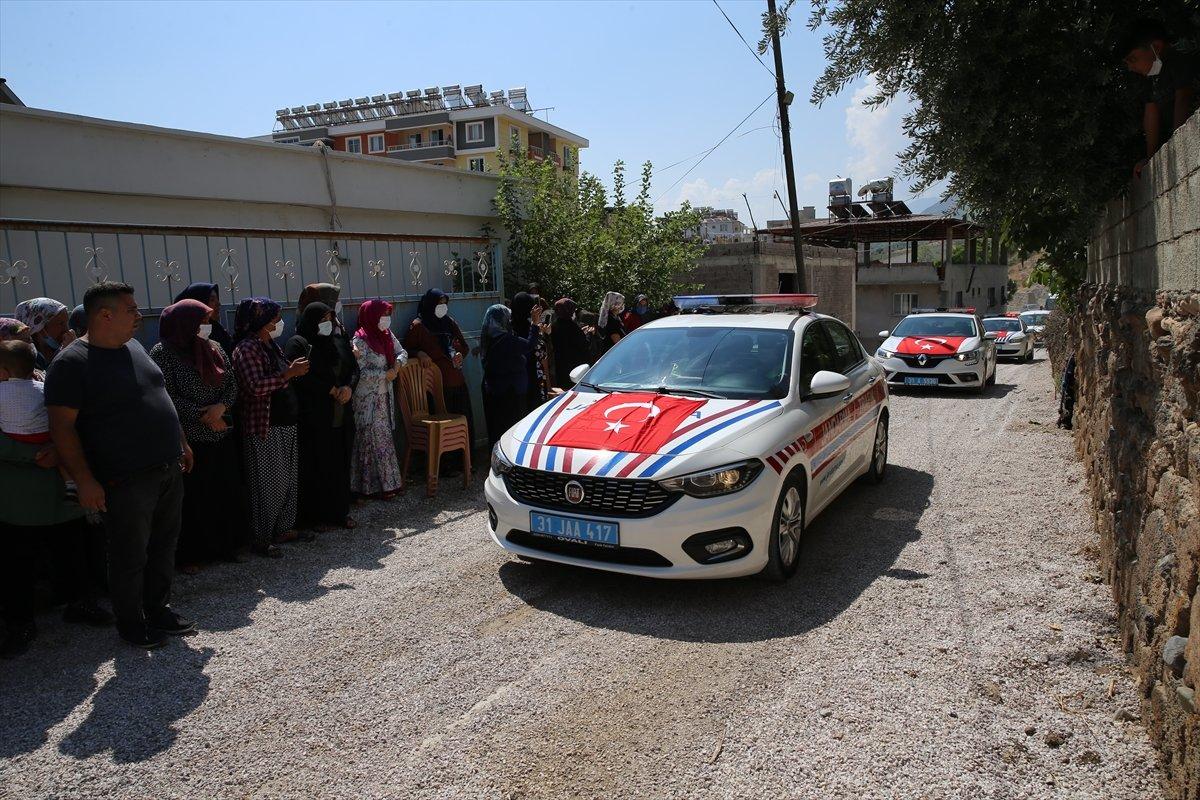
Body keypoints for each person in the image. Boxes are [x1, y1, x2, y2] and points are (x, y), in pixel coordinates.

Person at [44, 281, 195, 649]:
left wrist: (181, 442)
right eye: (131, 309)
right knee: (130, 553)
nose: (138, 315)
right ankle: (132, 623)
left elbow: (158, 395)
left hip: (165, 467)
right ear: (104, 315)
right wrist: (84, 481)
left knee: (164, 544)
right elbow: (62, 428)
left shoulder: (134, 348)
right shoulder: (71, 363)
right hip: (124, 477)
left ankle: (157, 608)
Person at [149, 299, 244, 571]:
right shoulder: (163, 353)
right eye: (202, 321)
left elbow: (232, 384)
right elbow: (164, 395)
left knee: (223, 492)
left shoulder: (214, 349)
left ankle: (225, 545)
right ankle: (193, 554)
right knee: (194, 499)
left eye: (208, 321)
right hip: (190, 437)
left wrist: (221, 408)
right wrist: (203, 415)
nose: (207, 327)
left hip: (220, 431)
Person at [232, 298, 309, 558]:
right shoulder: (246, 348)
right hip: (264, 424)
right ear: (260, 321)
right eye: (273, 319)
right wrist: (288, 374)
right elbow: (254, 386)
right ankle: (262, 537)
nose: (278, 323)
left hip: (285, 421)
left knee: (286, 480)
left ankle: (283, 528)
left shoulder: (270, 345)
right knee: (267, 484)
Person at [285, 301, 356, 527]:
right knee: (317, 465)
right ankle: (316, 517)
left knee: (340, 464)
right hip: (315, 415)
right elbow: (300, 377)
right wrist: (329, 389)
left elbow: (354, 369)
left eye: (329, 319)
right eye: (322, 319)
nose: (327, 324)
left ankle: (340, 512)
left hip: (341, 414)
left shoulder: (337, 343)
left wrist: (348, 388)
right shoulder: (300, 344)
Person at [1120, 17, 1199, 179]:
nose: (1130, 67)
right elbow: (1151, 112)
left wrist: (1178, 143)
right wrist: (1151, 159)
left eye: (1133, 59)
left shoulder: (1178, 57)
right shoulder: (1152, 74)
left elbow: (1183, 98)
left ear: (1155, 47)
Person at [0, 340, 78, 499]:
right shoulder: (43, 386)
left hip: (15, 436)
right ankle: (71, 484)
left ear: (3, 373)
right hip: (46, 436)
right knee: (62, 454)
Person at [404, 288, 474, 454]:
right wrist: (419, 353)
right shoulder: (419, 326)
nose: (442, 307)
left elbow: (464, 346)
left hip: (457, 380)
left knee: (461, 423)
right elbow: (405, 350)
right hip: (436, 387)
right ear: (430, 304)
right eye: (439, 303)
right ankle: (446, 464)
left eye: (445, 303)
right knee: (444, 428)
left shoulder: (449, 323)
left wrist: (459, 354)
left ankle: (464, 461)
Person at [350, 299, 407, 498]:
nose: (386, 319)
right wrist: (385, 374)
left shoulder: (386, 336)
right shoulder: (360, 341)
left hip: (384, 397)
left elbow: (402, 352)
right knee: (370, 440)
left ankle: (387, 484)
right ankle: (370, 486)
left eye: (388, 315)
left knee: (383, 440)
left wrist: (397, 366)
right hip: (367, 399)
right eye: (383, 315)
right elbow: (360, 372)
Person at [480, 304, 541, 448]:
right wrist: (535, 324)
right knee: (511, 431)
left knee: (497, 429)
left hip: (494, 391)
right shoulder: (506, 340)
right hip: (510, 394)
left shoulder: (489, 339)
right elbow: (529, 345)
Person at [173, 282, 234, 356]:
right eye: (212, 300)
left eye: (217, 299)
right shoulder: (179, 343)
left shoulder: (220, 333)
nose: (218, 304)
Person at [14, 297, 73, 370]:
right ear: (39, 328)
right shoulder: (23, 360)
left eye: (66, 323)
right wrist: (64, 354)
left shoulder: (68, 349)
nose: (66, 329)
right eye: (60, 324)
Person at [550, 298, 593, 389]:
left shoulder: (554, 325)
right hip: (574, 369)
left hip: (560, 365)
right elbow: (584, 346)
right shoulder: (573, 327)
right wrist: (589, 335)